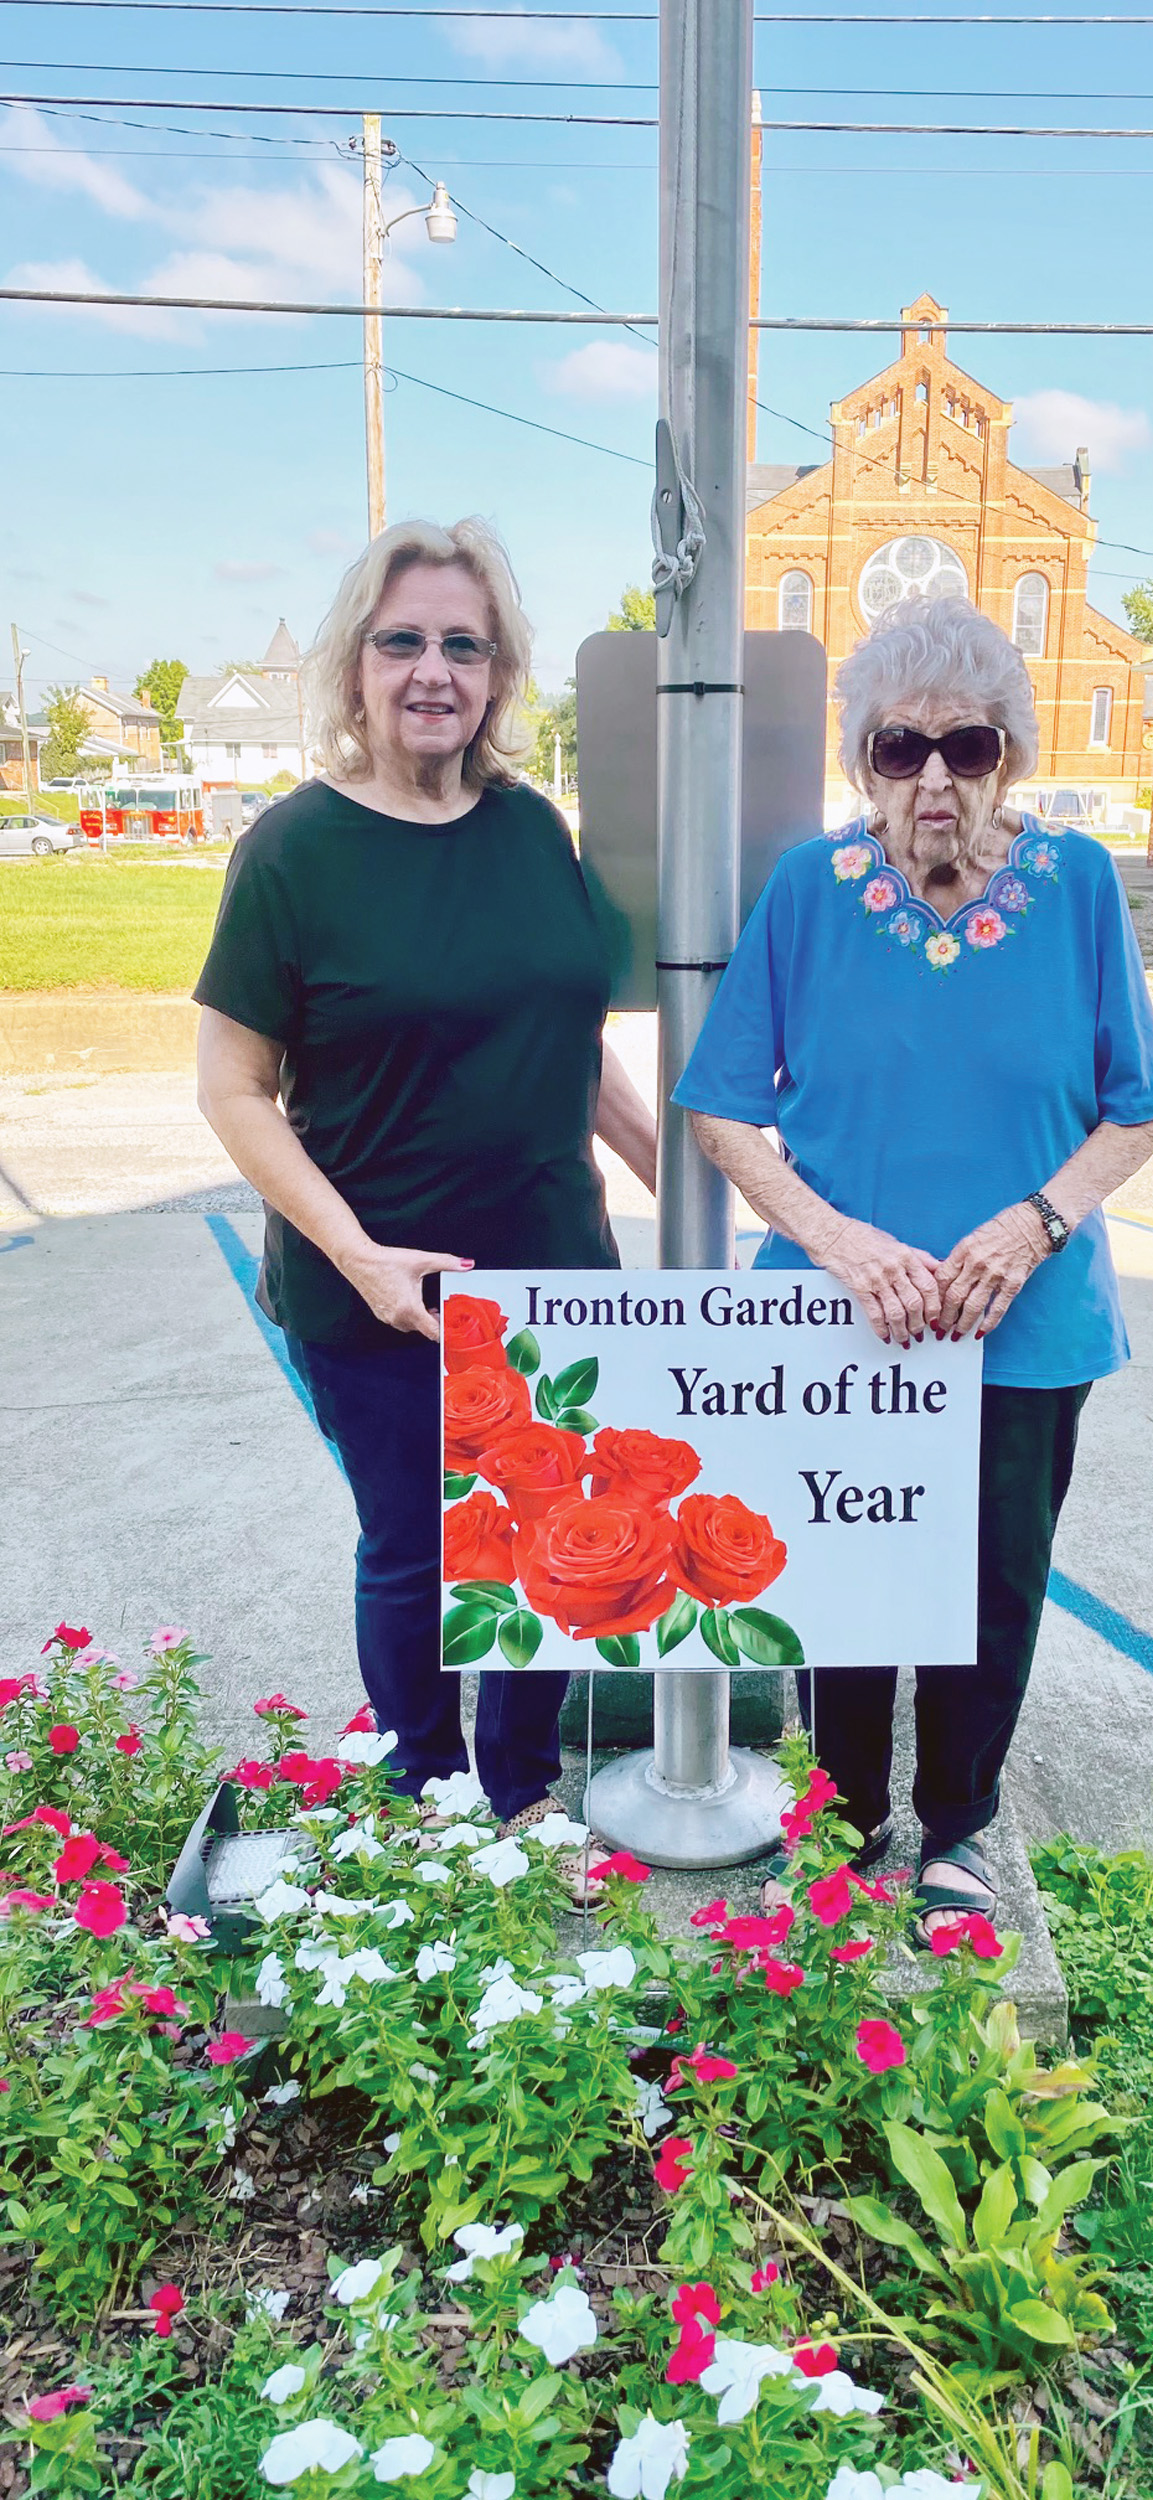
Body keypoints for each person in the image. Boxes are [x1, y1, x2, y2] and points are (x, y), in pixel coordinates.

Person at [672, 595, 1153, 1937]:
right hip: (840, 1329)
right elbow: (722, 1106)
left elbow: (1138, 1104)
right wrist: (836, 1246)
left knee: (988, 1582)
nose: (937, 778)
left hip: (1026, 1326)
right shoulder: (806, 891)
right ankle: (841, 1823)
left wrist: (1033, 1224)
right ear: (864, 762)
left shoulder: (1075, 887)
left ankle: (958, 1817)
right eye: (903, 749)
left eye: (968, 745)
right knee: (836, 1584)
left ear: (1008, 754)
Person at [194, 517, 655, 1872]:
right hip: (378, 1294)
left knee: (549, 1556)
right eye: (403, 642)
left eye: (464, 644)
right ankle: (430, 1783)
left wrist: (677, 1189)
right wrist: (358, 1256)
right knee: (413, 1554)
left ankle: (519, 1792)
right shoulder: (295, 849)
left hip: (555, 1276)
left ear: (501, 674)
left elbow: (569, 1047)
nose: (433, 671)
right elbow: (234, 1090)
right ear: (355, 668)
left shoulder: (530, 829)